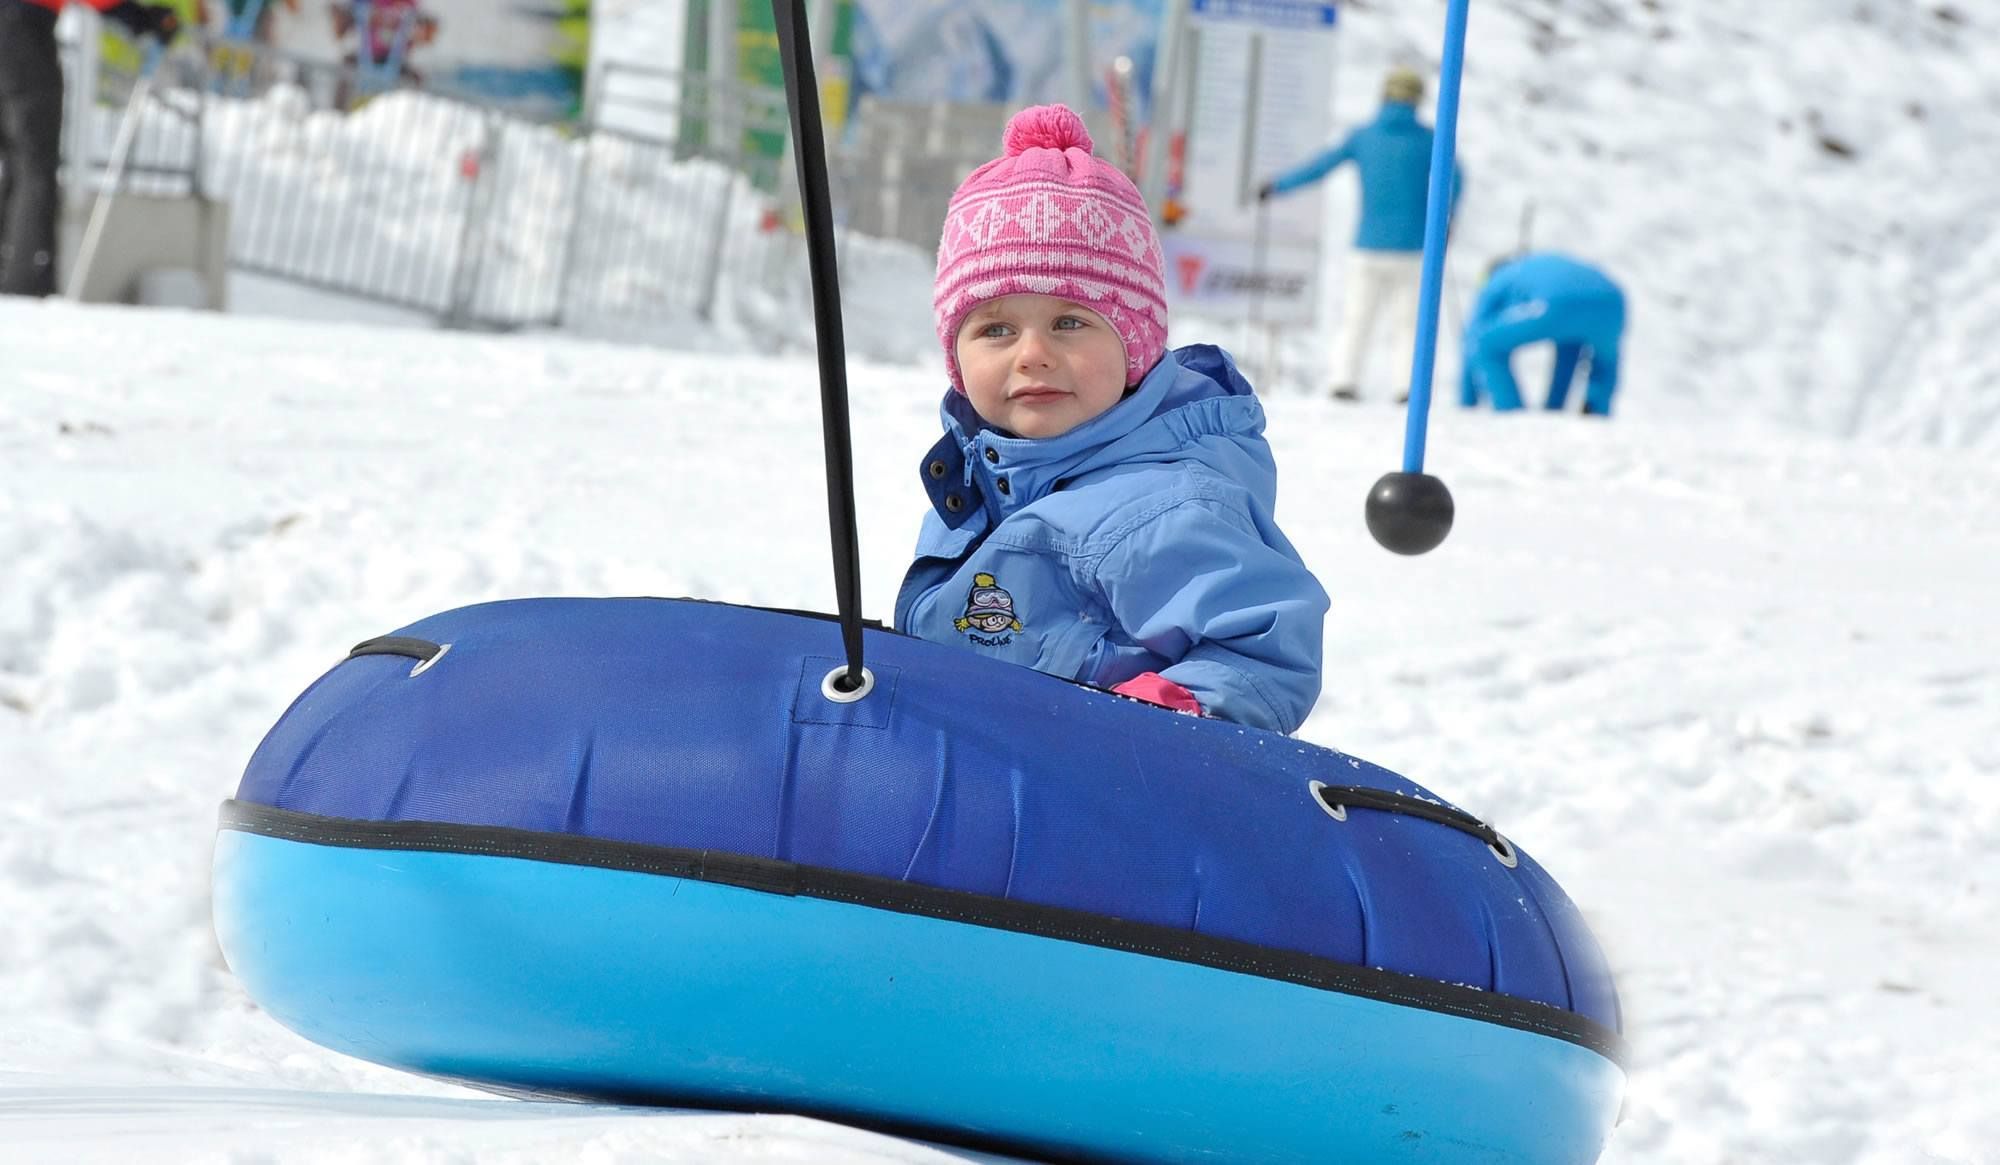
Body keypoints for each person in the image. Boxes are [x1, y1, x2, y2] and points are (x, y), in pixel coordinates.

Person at [895, 104, 1329, 736]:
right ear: (956, 356)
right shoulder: (984, 476)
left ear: (1135, 344)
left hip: (1091, 809)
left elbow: (1265, 648)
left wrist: (1157, 718)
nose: (1033, 353)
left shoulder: (1160, 508)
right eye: (995, 328)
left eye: (1070, 322)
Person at [1258, 66, 1463, 403]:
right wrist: (1448, 219)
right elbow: (1457, 177)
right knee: (1409, 324)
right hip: (1414, 247)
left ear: (1384, 96)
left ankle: (1344, 381)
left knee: (1356, 317)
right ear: (1417, 100)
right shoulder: (1431, 141)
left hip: (1367, 245)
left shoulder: (1364, 136)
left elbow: (1320, 167)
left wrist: (1276, 187)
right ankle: (1405, 388)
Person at [0, 0, 180, 297]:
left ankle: (12, 272)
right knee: (35, 167)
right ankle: (27, 282)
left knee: (18, 163)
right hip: (23, 30)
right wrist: (141, 18)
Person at [1460, 251, 1626, 416]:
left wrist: (1467, 402)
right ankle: (1595, 411)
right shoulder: (1536, 266)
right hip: (1612, 301)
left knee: (1486, 343)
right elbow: (1568, 354)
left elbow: (1473, 336)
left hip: (1556, 301)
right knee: (1588, 352)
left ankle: (1510, 414)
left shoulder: (1500, 277)